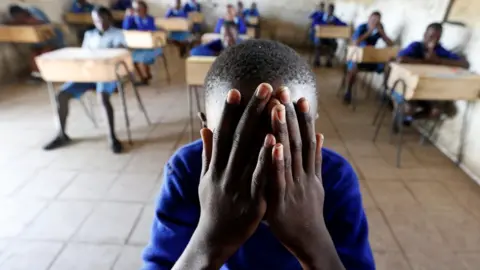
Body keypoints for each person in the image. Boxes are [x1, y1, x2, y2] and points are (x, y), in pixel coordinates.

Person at [142, 40, 374, 269]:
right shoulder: (187, 171)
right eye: (238, 143)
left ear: (310, 127)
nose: (264, 164)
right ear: (207, 130)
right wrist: (210, 238)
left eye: (287, 141)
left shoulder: (334, 178)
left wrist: (312, 237)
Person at [43, 6, 126, 154]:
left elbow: (119, 54)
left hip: (107, 74)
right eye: (96, 20)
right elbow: (84, 55)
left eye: (102, 19)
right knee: (61, 95)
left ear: (109, 19)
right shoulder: (90, 34)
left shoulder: (118, 34)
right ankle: (62, 134)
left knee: (102, 97)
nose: (99, 23)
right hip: (88, 74)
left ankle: (112, 137)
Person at [392, 22, 469, 130]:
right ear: (425, 35)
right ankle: (401, 114)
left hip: (426, 90)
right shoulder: (416, 46)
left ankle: (409, 119)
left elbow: (464, 64)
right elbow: (400, 59)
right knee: (410, 108)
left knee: (436, 111)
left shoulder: (439, 50)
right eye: (431, 36)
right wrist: (426, 61)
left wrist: (438, 61)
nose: (433, 41)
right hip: (406, 87)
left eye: (437, 38)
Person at [343, 11, 394, 104]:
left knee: (388, 68)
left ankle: (385, 93)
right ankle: (348, 91)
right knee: (353, 66)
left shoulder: (379, 29)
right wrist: (369, 32)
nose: (375, 22)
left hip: (371, 58)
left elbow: (390, 44)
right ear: (369, 19)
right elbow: (355, 42)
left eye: (377, 21)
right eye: (373, 20)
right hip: (357, 57)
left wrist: (382, 33)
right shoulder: (362, 27)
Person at [8, 5, 64, 79]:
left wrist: (25, 21)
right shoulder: (21, 19)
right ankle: (36, 74)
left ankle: (48, 73)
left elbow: (42, 23)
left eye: (18, 16)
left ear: (22, 13)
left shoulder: (33, 11)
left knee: (45, 51)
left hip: (52, 38)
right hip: (39, 42)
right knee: (34, 54)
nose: (18, 19)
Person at [123, 0, 162, 85]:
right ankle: (144, 77)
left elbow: (151, 32)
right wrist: (128, 17)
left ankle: (146, 77)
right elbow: (125, 28)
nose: (137, 11)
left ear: (145, 9)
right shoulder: (134, 18)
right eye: (135, 9)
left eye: (139, 9)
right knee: (132, 58)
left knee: (142, 58)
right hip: (141, 46)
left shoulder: (150, 19)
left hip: (153, 46)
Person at [312, 3, 346, 68]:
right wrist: (325, 24)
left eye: (332, 10)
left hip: (329, 38)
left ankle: (329, 61)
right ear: (327, 9)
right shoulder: (320, 16)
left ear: (333, 10)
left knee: (334, 44)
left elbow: (343, 24)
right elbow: (314, 24)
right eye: (329, 9)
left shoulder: (334, 19)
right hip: (320, 37)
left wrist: (334, 24)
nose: (330, 11)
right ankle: (317, 60)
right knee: (318, 43)